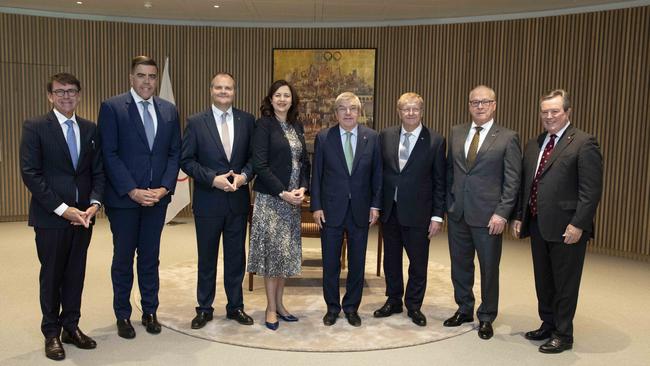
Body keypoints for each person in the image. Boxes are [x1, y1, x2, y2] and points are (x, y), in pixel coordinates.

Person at [20, 73, 104, 360]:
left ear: (79, 95)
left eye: (71, 91)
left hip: (84, 216)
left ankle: (71, 326)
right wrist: (62, 209)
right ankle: (51, 332)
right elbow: (31, 173)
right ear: (50, 96)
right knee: (52, 275)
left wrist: (94, 203)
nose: (66, 96)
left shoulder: (90, 129)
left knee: (75, 275)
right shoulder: (35, 127)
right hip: (51, 217)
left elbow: (98, 172)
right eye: (60, 92)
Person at [512, 89, 603, 354]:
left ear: (568, 113)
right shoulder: (536, 143)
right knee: (544, 279)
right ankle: (548, 323)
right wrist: (520, 216)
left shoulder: (584, 143)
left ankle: (563, 334)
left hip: (568, 227)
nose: (549, 116)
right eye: (544, 112)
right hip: (539, 223)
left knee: (565, 282)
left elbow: (591, 190)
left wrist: (579, 224)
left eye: (555, 111)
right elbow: (526, 184)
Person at [98, 56, 181, 339]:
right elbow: (108, 154)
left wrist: (165, 188)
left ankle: (149, 310)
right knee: (123, 258)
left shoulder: (169, 110)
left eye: (152, 76)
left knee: (150, 257)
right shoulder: (112, 107)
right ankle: (123, 314)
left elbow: (174, 153)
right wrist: (132, 190)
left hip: (156, 199)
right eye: (142, 75)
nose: (147, 81)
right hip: (124, 200)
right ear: (131, 77)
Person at [445, 85, 521, 339]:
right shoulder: (456, 132)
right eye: (474, 102)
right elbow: (450, 172)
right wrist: (449, 202)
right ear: (469, 105)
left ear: (494, 105)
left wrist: (502, 213)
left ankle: (487, 315)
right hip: (458, 213)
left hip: (489, 218)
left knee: (489, 269)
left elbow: (512, 181)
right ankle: (464, 308)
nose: (479, 106)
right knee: (460, 265)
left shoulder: (507, 137)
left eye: (485, 102)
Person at [181, 72, 255, 329]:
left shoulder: (247, 121)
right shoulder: (196, 122)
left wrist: (244, 177)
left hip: (237, 202)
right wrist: (213, 179)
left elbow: (254, 159)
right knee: (207, 257)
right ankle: (204, 308)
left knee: (236, 258)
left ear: (235, 92)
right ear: (211, 90)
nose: (224, 92)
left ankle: (235, 307)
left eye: (229, 88)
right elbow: (187, 160)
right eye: (219, 88)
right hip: (208, 201)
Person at [311, 92, 382, 327]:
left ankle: (351, 307)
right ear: (336, 113)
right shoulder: (324, 138)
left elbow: (377, 175)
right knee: (330, 262)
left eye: (352, 108)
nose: (348, 113)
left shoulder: (372, 138)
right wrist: (317, 206)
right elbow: (317, 176)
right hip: (331, 210)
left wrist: (375, 205)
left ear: (359, 112)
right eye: (342, 108)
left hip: (361, 209)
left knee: (357, 262)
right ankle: (332, 307)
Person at [374, 92, 446, 326]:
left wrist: (437, 215)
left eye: (415, 109)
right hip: (390, 210)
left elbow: (439, 181)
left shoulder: (435, 140)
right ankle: (393, 299)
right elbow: (379, 174)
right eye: (406, 109)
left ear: (422, 111)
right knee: (391, 259)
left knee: (418, 261)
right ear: (399, 111)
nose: (411, 113)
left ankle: (414, 305)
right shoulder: (385, 136)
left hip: (419, 213)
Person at [248, 80, 311, 330]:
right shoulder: (263, 125)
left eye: (287, 95)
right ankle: (270, 308)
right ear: (270, 99)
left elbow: (304, 162)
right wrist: (283, 193)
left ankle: (281, 304)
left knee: (283, 257)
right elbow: (260, 166)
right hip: (272, 200)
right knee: (272, 258)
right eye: (278, 95)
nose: (282, 99)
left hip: (293, 201)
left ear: (292, 100)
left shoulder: (296, 125)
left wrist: (302, 188)